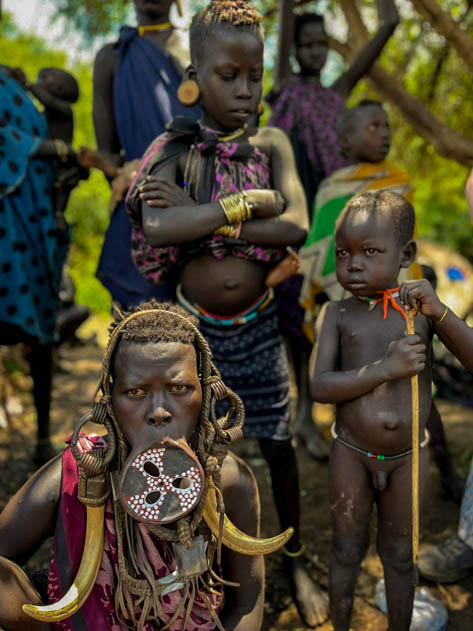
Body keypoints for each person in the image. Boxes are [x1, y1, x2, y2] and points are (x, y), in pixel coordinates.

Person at [125, 1, 331, 626]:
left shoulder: (271, 141)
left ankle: (291, 554)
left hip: (260, 325)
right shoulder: (174, 145)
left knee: (276, 445)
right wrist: (244, 205)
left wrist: (202, 208)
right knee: (195, 449)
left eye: (254, 74)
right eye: (227, 76)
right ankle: (202, 557)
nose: (245, 90)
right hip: (195, 337)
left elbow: (294, 222)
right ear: (195, 74)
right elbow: (158, 226)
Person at [0, 301, 270, 631]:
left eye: (180, 388)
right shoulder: (72, 476)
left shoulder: (229, 480)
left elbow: (248, 601)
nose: (159, 412)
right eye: (135, 391)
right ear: (110, 402)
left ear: (207, 392)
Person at [309, 190, 473, 631]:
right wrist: (384, 368)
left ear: (407, 254)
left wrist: (439, 312)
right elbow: (320, 387)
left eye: (370, 251)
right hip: (350, 453)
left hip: (409, 459)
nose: (353, 264)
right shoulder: (336, 314)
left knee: (401, 555)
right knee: (345, 549)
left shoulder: (419, 311)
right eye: (343, 253)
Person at [92, 0, 200, 308]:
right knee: (139, 330)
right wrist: (130, 175)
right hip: (141, 208)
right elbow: (110, 156)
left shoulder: (200, 50)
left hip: (203, 201)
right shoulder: (111, 58)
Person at [0, 66, 76, 465]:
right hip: (14, 223)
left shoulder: (42, 107)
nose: (42, 84)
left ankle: (43, 436)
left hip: (37, 226)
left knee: (42, 340)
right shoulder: (13, 95)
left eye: (53, 84)